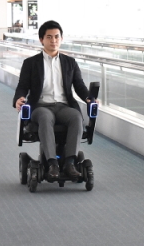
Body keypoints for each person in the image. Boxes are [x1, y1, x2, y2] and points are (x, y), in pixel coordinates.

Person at [13, 20, 94, 180]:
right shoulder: (31, 63)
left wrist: (89, 98)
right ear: (41, 40)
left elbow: (79, 86)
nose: (53, 40)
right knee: (45, 118)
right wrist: (19, 98)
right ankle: (52, 164)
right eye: (49, 37)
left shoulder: (70, 63)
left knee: (76, 117)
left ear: (61, 39)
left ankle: (70, 163)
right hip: (40, 106)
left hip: (64, 106)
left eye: (57, 37)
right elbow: (22, 86)